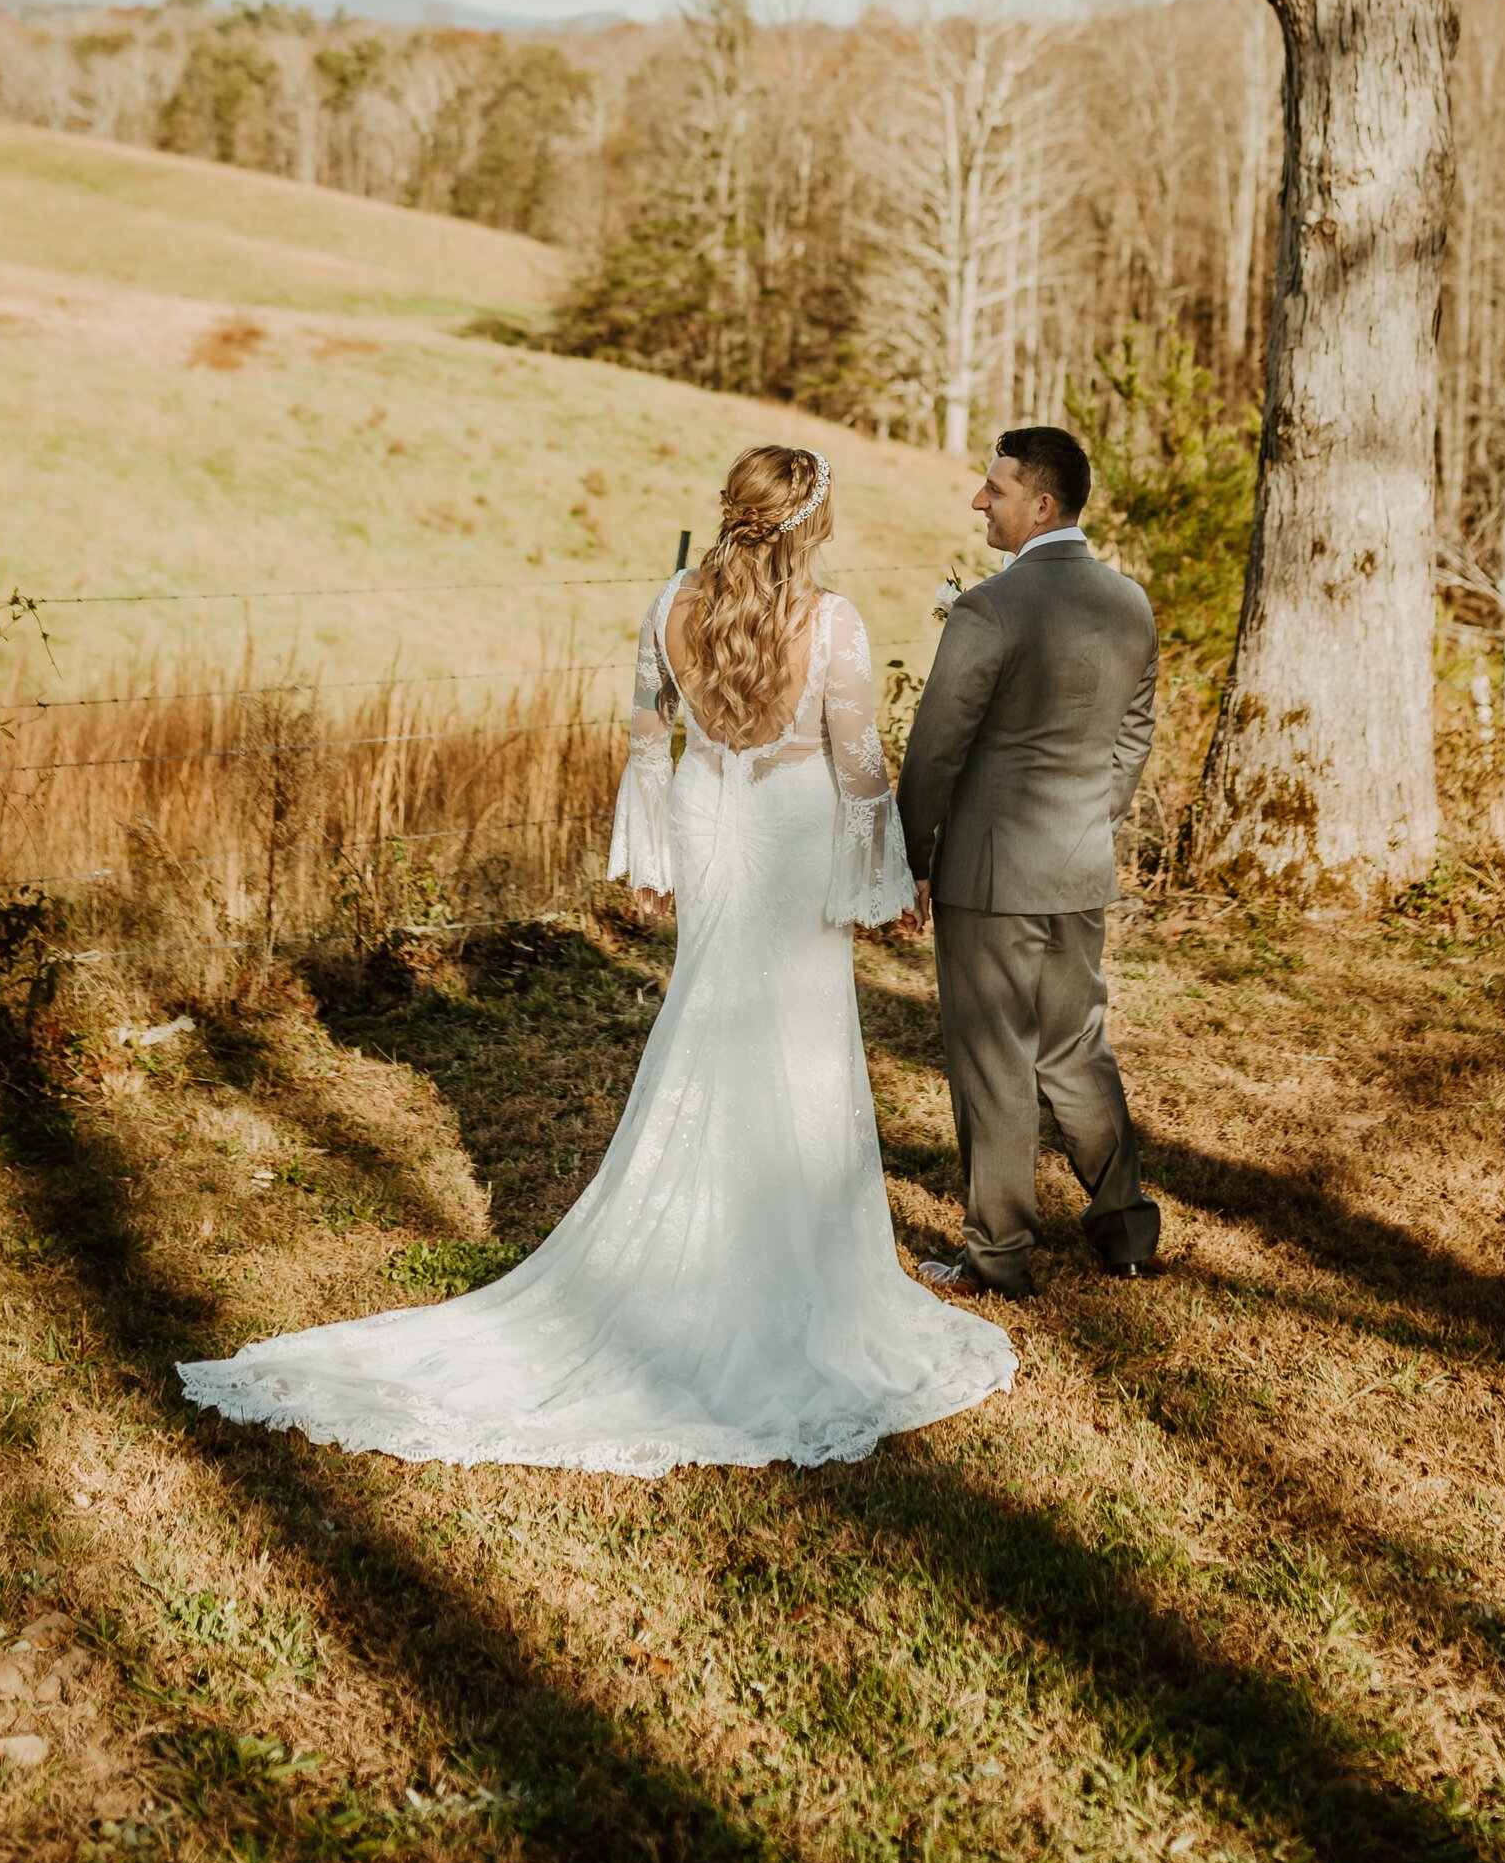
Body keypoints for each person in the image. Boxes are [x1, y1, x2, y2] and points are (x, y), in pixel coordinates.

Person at [179, 444, 1012, 1474]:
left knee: (710, 1010)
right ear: (812, 524)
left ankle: (711, 1240)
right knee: (795, 1031)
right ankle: (785, 1265)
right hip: (791, 832)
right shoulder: (831, 622)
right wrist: (886, 877)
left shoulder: (672, 601)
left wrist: (652, 849)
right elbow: (855, 762)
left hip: (714, 820)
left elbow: (643, 740)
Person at [896, 424, 1162, 1300]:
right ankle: (1124, 1232)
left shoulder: (991, 608)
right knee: (1075, 1046)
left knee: (994, 1060)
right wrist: (1091, 819)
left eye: (995, 489)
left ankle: (998, 1256)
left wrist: (914, 856)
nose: (981, 501)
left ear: (1041, 504)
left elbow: (937, 750)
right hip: (1079, 866)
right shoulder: (1129, 603)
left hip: (989, 873)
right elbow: (1132, 737)